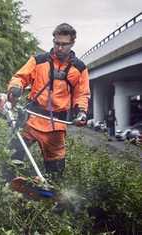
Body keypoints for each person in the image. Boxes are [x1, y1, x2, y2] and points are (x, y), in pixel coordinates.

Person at [5, 23, 91, 181]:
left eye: (64, 44)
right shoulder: (38, 61)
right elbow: (20, 77)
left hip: (56, 126)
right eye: (56, 43)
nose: (59, 48)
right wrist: (15, 88)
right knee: (10, 158)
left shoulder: (79, 69)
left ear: (72, 43)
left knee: (56, 174)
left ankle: (49, 195)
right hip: (31, 120)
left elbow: (82, 94)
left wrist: (81, 112)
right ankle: (6, 187)